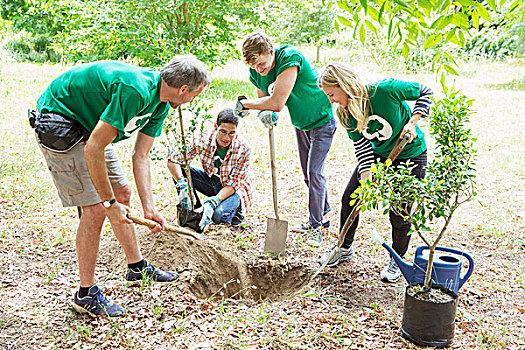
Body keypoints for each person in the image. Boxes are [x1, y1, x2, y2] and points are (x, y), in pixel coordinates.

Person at [33, 56, 210, 316]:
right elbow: (94, 146)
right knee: (95, 209)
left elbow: (141, 155)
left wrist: (149, 209)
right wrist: (109, 204)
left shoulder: (161, 103)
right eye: (196, 94)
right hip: (61, 121)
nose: (193, 99)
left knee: (122, 193)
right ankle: (85, 293)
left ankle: (136, 267)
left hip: (91, 127)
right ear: (183, 90)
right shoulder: (135, 90)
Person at [317, 62, 433, 282]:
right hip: (379, 156)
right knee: (349, 199)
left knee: (399, 213)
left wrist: (412, 122)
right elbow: (362, 147)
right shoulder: (345, 114)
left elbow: (425, 91)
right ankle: (343, 248)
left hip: (410, 154)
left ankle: (397, 259)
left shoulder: (385, 90)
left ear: (344, 84)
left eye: (332, 94)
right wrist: (366, 174)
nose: (330, 100)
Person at [235, 31, 336, 246]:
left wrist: (247, 105)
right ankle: (323, 215)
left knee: (315, 173)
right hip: (301, 123)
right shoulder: (257, 72)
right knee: (309, 176)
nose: (259, 70)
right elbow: (266, 102)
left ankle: (316, 225)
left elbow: (277, 102)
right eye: (254, 67)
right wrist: (265, 115)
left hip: (322, 120)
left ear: (271, 51)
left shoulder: (290, 58)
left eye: (261, 64)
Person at [167, 108, 251, 231]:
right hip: (212, 182)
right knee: (182, 171)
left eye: (231, 133)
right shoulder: (203, 138)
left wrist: (214, 201)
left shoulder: (243, 148)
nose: (226, 138)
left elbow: (234, 184)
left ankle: (234, 213)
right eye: (223, 132)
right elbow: (173, 159)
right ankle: (196, 211)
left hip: (232, 191)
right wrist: (181, 182)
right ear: (215, 126)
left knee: (217, 216)